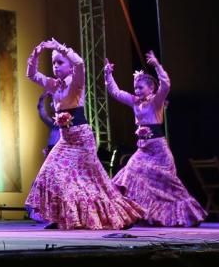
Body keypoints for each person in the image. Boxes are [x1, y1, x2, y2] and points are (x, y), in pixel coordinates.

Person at [23, 38, 143, 230]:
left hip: (81, 140)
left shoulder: (77, 82)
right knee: (49, 173)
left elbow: (80, 62)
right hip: (65, 140)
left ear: (70, 67)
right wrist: (36, 54)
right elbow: (31, 75)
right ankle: (60, 217)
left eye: (60, 62)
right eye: (53, 62)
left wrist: (60, 47)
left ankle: (118, 214)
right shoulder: (54, 85)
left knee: (93, 182)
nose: (55, 66)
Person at [104, 50, 206, 227]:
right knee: (128, 174)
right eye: (135, 87)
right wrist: (108, 74)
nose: (137, 90)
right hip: (143, 150)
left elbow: (165, 85)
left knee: (170, 186)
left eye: (140, 87)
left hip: (159, 151)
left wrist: (157, 65)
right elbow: (116, 92)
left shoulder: (156, 102)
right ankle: (129, 214)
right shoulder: (135, 101)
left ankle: (187, 215)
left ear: (151, 89)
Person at [23, 92, 59, 223]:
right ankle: (41, 213)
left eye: (54, 103)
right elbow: (42, 113)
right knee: (42, 183)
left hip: (62, 159)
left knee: (56, 185)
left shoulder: (68, 124)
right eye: (52, 104)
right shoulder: (54, 125)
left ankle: (55, 214)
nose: (52, 105)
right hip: (51, 156)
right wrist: (42, 99)